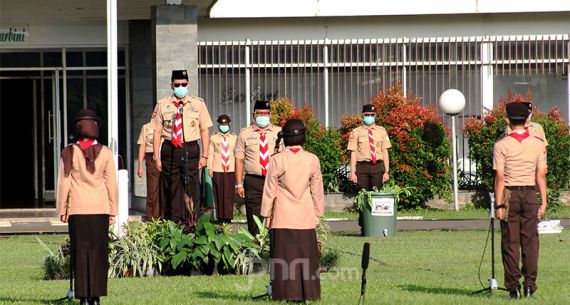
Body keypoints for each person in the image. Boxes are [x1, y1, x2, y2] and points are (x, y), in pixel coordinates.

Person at [57, 109, 118, 305]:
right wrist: (113, 210)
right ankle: (96, 297)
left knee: (80, 252)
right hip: (100, 209)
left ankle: (83, 297)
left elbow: (64, 183)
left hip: (77, 209)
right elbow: (111, 184)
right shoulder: (106, 152)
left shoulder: (69, 151)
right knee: (99, 252)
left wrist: (62, 209)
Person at [261, 119, 324, 302]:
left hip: (282, 216)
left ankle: (283, 293)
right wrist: (318, 213)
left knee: (284, 258)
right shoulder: (312, 159)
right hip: (305, 216)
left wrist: (266, 214)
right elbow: (317, 190)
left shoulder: (277, 160)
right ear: (303, 137)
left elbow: (270, 190)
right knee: (306, 257)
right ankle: (309, 293)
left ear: (285, 139)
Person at [493, 102, 548, 299]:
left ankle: (513, 286)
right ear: (527, 121)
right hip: (531, 194)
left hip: (509, 194)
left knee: (510, 242)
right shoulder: (538, 144)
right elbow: (541, 175)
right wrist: (543, 201)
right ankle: (529, 285)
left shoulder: (501, 145)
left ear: (507, 120)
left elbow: (500, 177)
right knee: (531, 242)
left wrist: (498, 204)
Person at [153, 69, 213, 227]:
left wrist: (205, 156)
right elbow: (157, 131)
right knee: (172, 185)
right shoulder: (163, 105)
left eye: (183, 84)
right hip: (170, 148)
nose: (180, 87)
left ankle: (192, 221)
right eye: (177, 84)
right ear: (171, 85)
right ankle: (174, 221)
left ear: (188, 85)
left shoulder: (198, 104)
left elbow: (205, 129)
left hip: (191, 147)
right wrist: (156, 156)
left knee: (191, 184)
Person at [235, 100, 282, 235]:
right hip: (253, 180)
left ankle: (273, 241)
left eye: (266, 113)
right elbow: (239, 160)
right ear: (254, 115)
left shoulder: (279, 133)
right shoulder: (244, 134)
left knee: (276, 212)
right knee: (254, 213)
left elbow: (285, 157)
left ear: (270, 114)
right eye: (259, 113)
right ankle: (255, 243)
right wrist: (238, 184)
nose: (263, 116)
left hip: (274, 179)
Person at [347, 104, 391, 235]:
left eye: (372, 115)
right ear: (362, 116)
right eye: (367, 115)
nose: (369, 117)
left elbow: (385, 151)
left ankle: (376, 226)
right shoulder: (356, 132)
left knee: (376, 197)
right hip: (362, 168)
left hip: (377, 166)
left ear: (375, 115)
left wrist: (386, 171)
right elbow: (353, 153)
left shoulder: (382, 131)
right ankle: (364, 227)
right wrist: (353, 172)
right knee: (363, 197)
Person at [207, 114, 237, 224]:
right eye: (222, 124)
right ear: (218, 125)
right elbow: (210, 153)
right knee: (218, 193)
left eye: (226, 124)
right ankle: (220, 217)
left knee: (229, 193)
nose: (224, 126)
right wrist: (209, 168)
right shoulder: (213, 137)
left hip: (231, 168)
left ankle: (228, 217)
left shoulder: (234, 137)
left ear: (229, 124)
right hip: (217, 168)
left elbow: (237, 153)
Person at [137, 109, 161, 221]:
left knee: (164, 188)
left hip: (164, 157)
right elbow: (142, 146)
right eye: (155, 113)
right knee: (152, 188)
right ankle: (152, 216)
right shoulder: (146, 127)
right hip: (151, 157)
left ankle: (163, 215)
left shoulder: (166, 126)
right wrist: (140, 166)